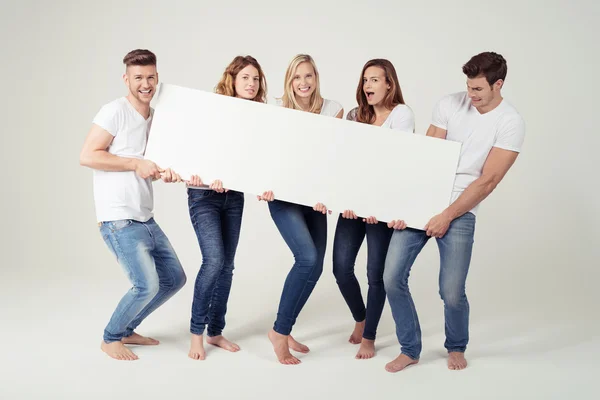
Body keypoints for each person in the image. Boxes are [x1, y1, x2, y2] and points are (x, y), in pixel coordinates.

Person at [383, 51, 525, 372]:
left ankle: (456, 345)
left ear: (498, 84)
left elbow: (487, 181)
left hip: (461, 209)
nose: (471, 95)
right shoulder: (450, 104)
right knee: (391, 277)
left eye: (478, 89)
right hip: (423, 202)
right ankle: (410, 348)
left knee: (451, 291)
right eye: (468, 87)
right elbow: (427, 159)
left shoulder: (511, 122)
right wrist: (405, 205)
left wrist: (446, 215)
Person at [79, 49, 187, 361]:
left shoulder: (153, 118)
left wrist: (159, 172)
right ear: (126, 79)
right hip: (118, 218)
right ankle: (111, 338)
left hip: (144, 216)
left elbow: (141, 167)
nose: (145, 83)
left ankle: (127, 329)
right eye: (138, 77)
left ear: (157, 78)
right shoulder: (114, 111)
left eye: (151, 77)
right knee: (146, 284)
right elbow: (88, 155)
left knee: (174, 278)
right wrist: (135, 164)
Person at [259, 54, 343, 365]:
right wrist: (263, 182)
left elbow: (332, 157)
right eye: (297, 77)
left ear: (316, 77)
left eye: (308, 76)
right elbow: (266, 152)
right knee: (306, 258)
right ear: (289, 80)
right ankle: (279, 333)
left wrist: (329, 195)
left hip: (316, 200)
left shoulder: (334, 110)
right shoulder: (277, 108)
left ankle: (285, 327)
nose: (303, 83)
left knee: (316, 266)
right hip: (284, 197)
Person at [185, 55, 268, 360]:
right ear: (232, 80)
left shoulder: (257, 116)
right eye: (245, 77)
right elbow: (193, 144)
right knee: (214, 261)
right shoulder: (214, 108)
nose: (251, 83)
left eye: (256, 79)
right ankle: (196, 333)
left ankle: (216, 331)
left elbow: (253, 160)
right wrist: (202, 174)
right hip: (203, 195)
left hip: (233, 197)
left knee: (227, 266)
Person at [333, 59, 415, 360]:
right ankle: (361, 317)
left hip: (382, 207)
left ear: (389, 83)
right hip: (353, 205)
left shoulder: (401, 115)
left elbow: (394, 162)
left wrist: (377, 205)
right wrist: (350, 200)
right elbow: (345, 160)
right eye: (365, 80)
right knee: (341, 269)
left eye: (375, 80)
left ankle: (369, 336)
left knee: (374, 275)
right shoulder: (356, 115)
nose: (368, 86)